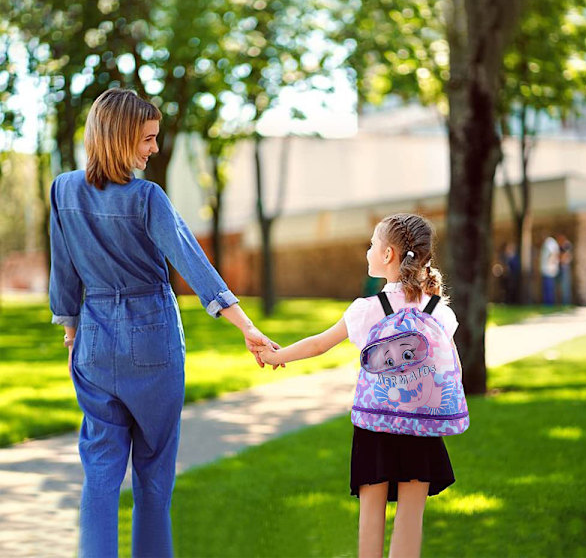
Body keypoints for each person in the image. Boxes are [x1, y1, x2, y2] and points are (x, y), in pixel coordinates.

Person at [49, 88, 277, 558]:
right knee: (153, 477)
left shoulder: (62, 189)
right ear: (120, 137)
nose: (154, 149)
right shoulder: (147, 197)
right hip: (152, 341)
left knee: (100, 476)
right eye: (147, 139)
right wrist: (245, 325)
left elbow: (64, 270)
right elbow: (194, 264)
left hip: (93, 341)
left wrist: (72, 331)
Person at [258, 213, 458, 558]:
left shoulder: (368, 310)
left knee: (371, 518)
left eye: (372, 244)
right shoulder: (439, 311)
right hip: (422, 425)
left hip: (376, 425)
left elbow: (319, 344)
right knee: (411, 519)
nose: (368, 251)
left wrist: (277, 356)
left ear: (388, 255)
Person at [539, 235, 560, 305]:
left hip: (548, 270)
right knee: (547, 288)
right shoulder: (550, 243)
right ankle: (547, 303)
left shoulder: (550, 242)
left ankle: (549, 304)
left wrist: (550, 265)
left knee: (549, 288)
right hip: (547, 269)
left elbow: (553, 254)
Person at [557, 234, 573, 305]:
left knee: (565, 286)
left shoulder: (566, 245)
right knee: (561, 287)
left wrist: (560, 258)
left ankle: (566, 303)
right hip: (561, 267)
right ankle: (562, 302)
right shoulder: (561, 247)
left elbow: (565, 257)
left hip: (564, 268)